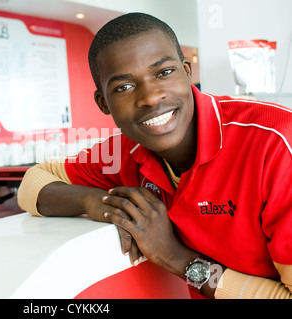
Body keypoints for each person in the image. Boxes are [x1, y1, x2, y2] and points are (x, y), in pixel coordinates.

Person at [17, 12, 292, 299]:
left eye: (164, 72)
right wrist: (101, 203)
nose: (150, 96)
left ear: (187, 72)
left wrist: (173, 256)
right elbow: (32, 183)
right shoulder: (124, 150)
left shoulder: (276, 145)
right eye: (124, 87)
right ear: (103, 103)